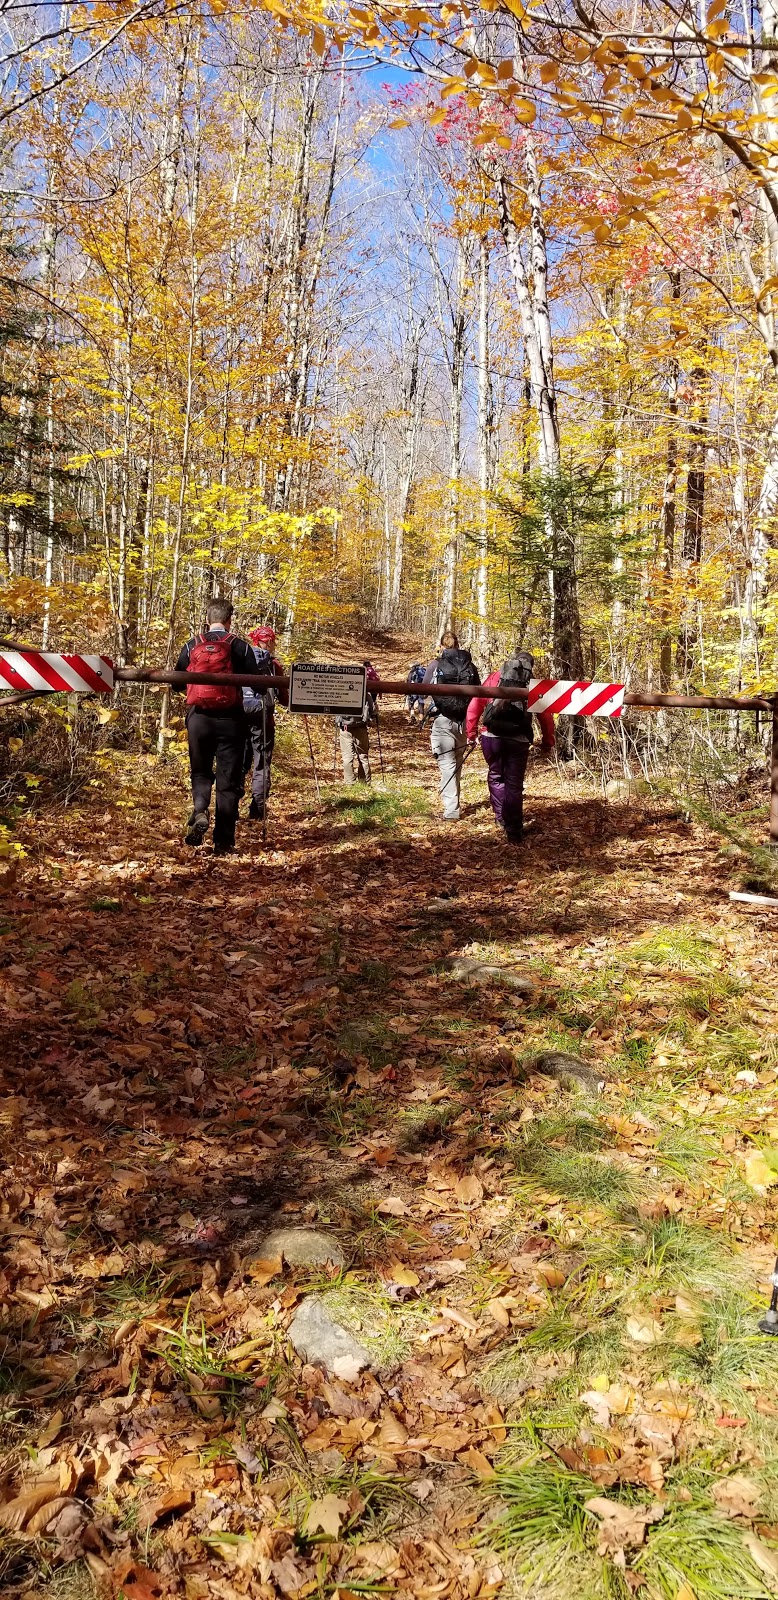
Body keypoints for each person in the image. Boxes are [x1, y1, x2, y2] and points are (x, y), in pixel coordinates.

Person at [175, 598, 255, 855]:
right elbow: (258, 683)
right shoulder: (239, 647)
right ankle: (223, 842)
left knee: (200, 772)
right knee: (228, 781)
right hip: (231, 720)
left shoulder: (191, 645)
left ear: (207, 619)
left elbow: (176, 683)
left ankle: (200, 810)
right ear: (230, 620)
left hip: (199, 718)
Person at [466, 649, 537, 844]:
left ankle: (501, 817)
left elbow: (475, 703)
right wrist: (548, 741)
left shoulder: (496, 677)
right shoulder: (533, 684)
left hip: (492, 736)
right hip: (518, 739)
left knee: (496, 777)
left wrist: (471, 732)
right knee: (514, 785)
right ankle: (513, 829)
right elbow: (545, 716)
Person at [423, 632, 481, 821]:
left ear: (442, 646)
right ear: (458, 644)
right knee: (456, 763)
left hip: (442, 719)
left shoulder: (435, 665)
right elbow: (478, 694)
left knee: (448, 765)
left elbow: (423, 690)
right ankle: (453, 804)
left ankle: (451, 810)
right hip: (463, 721)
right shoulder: (470, 666)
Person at [242, 624, 287, 822]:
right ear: (268, 641)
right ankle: (257, 809)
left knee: (238, 763)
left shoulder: (241, 658)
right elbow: (284, 697)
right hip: (264, 719)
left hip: (239, 716)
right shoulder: (274, 665)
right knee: (262, 763)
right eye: (273, 640)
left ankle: (231, 808)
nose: (274, 644)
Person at [336, 663, 378, 785]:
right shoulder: (364, 692)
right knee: (363, 756)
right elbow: (373, 710)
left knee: (347, 758)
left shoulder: (339, 691)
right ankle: (364, 782)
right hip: (361, 727)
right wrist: (373, 719)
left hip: (345, 728)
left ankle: (349, 783)